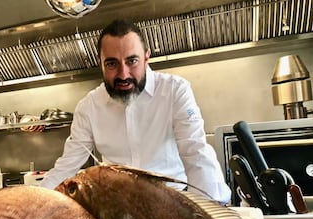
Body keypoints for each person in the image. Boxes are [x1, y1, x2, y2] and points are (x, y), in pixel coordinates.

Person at [40, 18, 231, 204]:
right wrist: (32, 202)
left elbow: (195, 153)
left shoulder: (175, 91)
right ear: (100, 62)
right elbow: (67, 166)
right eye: (112, 64)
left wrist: (214, 209)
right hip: (119, 209)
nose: (123, 74)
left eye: (132, 61)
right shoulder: (88, 107)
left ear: (147, 57)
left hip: (172, 202)